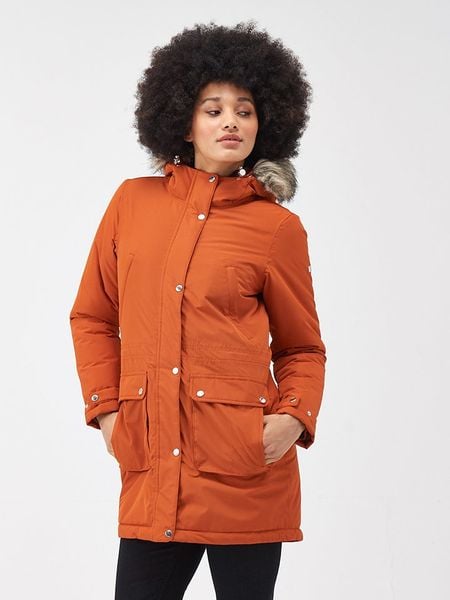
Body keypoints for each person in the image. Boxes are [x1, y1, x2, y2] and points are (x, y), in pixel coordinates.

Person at [69, 20, 327, 600]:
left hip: (247, 469)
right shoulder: (130, 203)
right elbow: (92, 317)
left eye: (245, 111)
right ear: (183, 121)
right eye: (214, 110)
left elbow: (302, 348)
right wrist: (106, 411)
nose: (230, 121)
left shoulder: (277, 228)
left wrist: (292, 419)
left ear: (265, 125)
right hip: (154, 468)